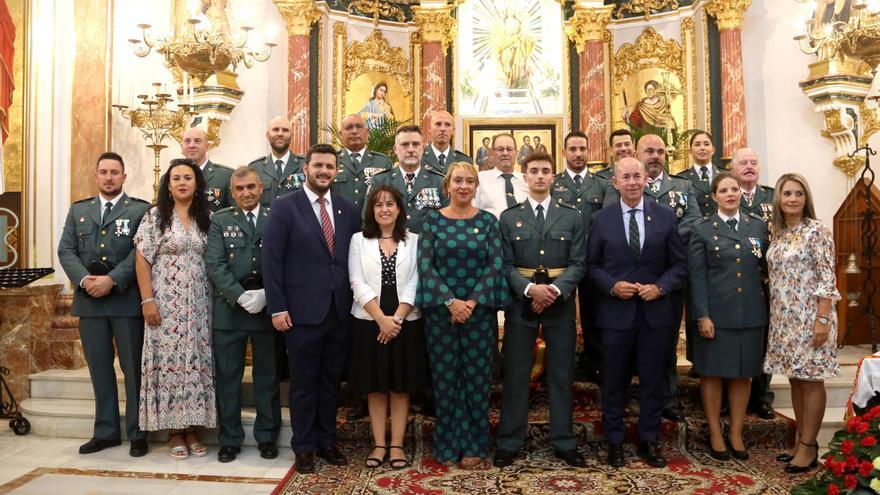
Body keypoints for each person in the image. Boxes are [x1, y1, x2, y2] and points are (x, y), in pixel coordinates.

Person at [262, 143, 361, 474]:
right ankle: (303, 446)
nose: (324, 171)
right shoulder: (284, 207)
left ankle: (326, 440)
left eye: (330, 167)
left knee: (331, 383)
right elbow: (272, 261)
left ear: (336, 171)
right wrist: (277, 308)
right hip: (301, 313)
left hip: (339, 311)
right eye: (318, 165)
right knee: (304, 384)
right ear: (306, 168)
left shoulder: (348, 209)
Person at [587, 157, 686, 469]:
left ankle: (649, 440)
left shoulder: (666, 216)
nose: (632, 182)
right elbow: (592, 266)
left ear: (646, 180)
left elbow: (679, 265)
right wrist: (613, 286)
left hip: (654, 314)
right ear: (615, 183)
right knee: (614, 381)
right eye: (625, 177)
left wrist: (660, 287)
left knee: (652, 381)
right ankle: (614, 441)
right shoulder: (601, 219)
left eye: (636, 177)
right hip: (616, 315)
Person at [494, 152, 586, 468]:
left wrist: (555, 291)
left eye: (546, 171)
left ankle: (564, 441)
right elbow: (505, 264)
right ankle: (509, 441)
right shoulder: (509, 218)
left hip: (559, 304)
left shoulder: (571, 216)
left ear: (553, 176)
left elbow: (578, 263)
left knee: (562, 374)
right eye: (534, 171)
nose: (540, 176)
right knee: (517, 373)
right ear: (525, 176)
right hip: (523, 303)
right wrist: (531, 289)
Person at [416, 162, 509, 469]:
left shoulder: (487, 222)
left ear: (476, 186)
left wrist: (470, 302)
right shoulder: (432, 222)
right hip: (441, 315)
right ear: (447, 185)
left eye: (470, 181)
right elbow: (426, 265)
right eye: (458, 180)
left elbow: (495, 263)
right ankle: (447, 443)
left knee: (477, 380)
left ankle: (474, 444)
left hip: (479, 313)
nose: (464, 186)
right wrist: (450, 302)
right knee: (445, 380)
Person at [57, 152, 151, 457]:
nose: (108, 177)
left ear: (124, 177)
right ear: (96, 176)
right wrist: (85, 281)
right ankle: (106, 431)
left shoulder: (139, 210)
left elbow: (140, 253)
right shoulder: (78, 211)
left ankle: (138, 432)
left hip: (124, 300)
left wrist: (112, 279)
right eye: (103, 172)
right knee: (99, 368)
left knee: (133, 370)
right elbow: (67, 250)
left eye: (114, 172)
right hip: (90, 303)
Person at [603, 134, 699, 423]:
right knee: (623, 346)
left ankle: (667, 398)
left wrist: (658, 241)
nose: (655, 155)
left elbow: (692, 221)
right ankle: (628, 397)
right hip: (627, 280)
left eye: (660, 151)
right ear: (637, 153)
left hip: (667, 275)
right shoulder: (623, 183)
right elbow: (610, 219)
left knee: (665, 343)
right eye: (649, 151)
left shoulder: (683, 186)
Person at [133, 158, 216, 460]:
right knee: (168, 365)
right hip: (164, 304)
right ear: (168, 185)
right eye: (176, 178)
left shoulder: (207, 217)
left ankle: (193, 426)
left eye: (188, 178)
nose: (182, 182)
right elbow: (142, 258)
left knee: (195, 362)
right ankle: (173, 430)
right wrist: (147, 299)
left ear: (197, 184)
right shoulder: (155, 217)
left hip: (199, 305)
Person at [689, 173, 769, 462]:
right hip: (716, 314)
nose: (730, 194)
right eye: (724, 190)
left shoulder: (757, 227)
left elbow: (765, 269)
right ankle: (714, 431)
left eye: (734, 189)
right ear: (714, 197)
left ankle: (736, 431)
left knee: (743, 374)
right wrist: (702, 315)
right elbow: (696, 277)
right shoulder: (702, 229)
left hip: (750, 313)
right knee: (712, 373)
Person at [348, 185, 428, 469]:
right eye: (379, 204)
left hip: (405, 323)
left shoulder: (414, 240)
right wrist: (381, 318)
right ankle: (378, 444)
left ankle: (397, 445)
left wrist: (396, 318)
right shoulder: (359, 240)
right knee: (376, 386)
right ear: (371, 210)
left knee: (399, 386)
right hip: (370, 321)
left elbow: (417, 281)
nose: (384, 209)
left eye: (390, 204)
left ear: (399, 209)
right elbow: (356, 281)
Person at [764, 173, 840, 474]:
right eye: (787, 194)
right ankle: (801, 440)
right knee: (795, 379)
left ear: (806, 198)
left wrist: (822, 319)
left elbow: (826, 277)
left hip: (811, 317)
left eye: (798, 193)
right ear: (779, 200)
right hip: (785, 319)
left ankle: (809, 446)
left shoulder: (817, 231)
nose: (793, 199)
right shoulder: (779, 233)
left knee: (811, 380)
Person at [205, 167, 280, 463]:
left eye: (251, 187)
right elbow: (215, 263)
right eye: (240, 189)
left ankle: (267, 436)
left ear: (260, 187)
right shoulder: (221, 220)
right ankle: (230, 439)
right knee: (228, 378)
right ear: (232, 192)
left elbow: (284, 258)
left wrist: (267, 295)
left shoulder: (275, 216)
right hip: (230, 312)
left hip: (267, 310)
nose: (246, 193)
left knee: (267, 377)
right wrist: (239, 296)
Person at [549, 131, 608, 383]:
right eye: (572, 149)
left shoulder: (601, 184)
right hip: (562, 261)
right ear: (564, 153)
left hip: (594, 260)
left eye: (582, 149)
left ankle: (594, 362)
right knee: (561, 315)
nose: (578, 154)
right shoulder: (553, 183)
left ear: (588, 151)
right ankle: (563, 361)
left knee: (593, 313)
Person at [731, 147, 776, 420]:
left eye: (754, 162)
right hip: (734, 280)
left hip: (765, 282)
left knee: (763, 341)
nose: (749, 166)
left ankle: (762, 396)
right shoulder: (726, 195)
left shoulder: (772, 196)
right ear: (733, 169)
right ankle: (731, 396)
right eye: (743, 163)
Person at [370, 125, 447, 234]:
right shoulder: (380, 181)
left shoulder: (439, 181)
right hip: (391, 247)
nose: (411, 149)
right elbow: (368, 219)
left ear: (423, 148)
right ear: (395, 150)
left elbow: (448, 220)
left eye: (415, 144)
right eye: (405, 145)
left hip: (428, 247)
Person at [333, 114, 393, 212]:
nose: (354, 131)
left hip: (372, 224)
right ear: (340, 134)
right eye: (349, 127)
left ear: (367, 132)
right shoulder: (332, 161)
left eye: (359, 127)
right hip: (340, 223)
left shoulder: (383, 161)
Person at [248, 116, 306, 207]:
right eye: (275, 130)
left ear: (292, 136)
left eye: (285, 130)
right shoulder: (255, 168)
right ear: (267, 135)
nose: (280, 134)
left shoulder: (305, 165)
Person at [474, 133, 528, 219]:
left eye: (509, 149)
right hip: (491, 231)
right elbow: (472, 212)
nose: (505, 153)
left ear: (516, 153)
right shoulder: (479, 179)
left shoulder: (528, 180)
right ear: (492, 152)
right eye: (500, 149)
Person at [182, 127, 233, 211]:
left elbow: (234, 213)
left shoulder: (226, 176)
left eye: (197, 141)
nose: (191, 145)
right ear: (182, 146)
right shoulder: (170, 178)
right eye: (187, 141)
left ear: (207, 146)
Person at [675, 131, 724, 218]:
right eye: (697, 145)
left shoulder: (725, 176)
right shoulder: (681, 179)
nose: (702, 148)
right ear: (690, 151)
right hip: (693, 229)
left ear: (713, 150)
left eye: (706, 144)